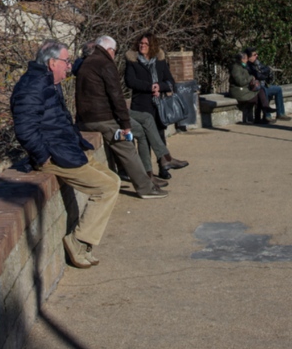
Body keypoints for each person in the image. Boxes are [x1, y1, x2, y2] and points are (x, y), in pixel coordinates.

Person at [11, 40, 119, 269]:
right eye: (66, 61)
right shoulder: (32, 86)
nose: (69, 66)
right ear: (52, 63)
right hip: (57, 156)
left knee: (114, 180)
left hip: (69, 150)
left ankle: (83, 241)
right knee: (106, 188)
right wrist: (43, 157)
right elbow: (25, 128)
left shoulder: (49, 81)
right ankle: (78, 241)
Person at [74, 35, 167, 198]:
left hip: (85, 119)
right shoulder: (105, 64)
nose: (114, 56)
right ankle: (145, 188)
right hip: (102, 118)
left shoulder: (86, 62)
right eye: (114, 52)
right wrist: (125, 124)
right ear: (109, 50)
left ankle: (142, 175)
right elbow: (116, 96)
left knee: (134, 135)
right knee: (127, 147)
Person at [124, 33, 188, 177]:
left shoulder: (159, 61)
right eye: (141, 43)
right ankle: (147, 172)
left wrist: (159, 87)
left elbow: (170, 81)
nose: (142, 46)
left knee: (160, 135)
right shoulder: (132, 61)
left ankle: (164, 167)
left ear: (152, 46)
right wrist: (150, 87)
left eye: (146, 44)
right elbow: (130, 81)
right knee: (144, 140)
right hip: (141, 105)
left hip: (158, 106)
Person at [247, 49, 289, 121]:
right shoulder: (248, 66)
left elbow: (266, 69)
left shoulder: (257, 63)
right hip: (255, 88)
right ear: (249, 57)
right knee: (263, 91)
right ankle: (267, 115)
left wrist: (263, 73)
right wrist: (262, 74)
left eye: (256, 54)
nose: (257, 56)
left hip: (263, 85)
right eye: (254, 55)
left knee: (278, 89)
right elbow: (258, 75)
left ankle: (280, 113)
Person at [230, 51, 268, 124]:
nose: (247, 60)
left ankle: (262, 113)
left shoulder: (243, 67)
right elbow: (240, 82)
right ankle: (264, 111)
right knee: (258, 97)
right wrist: (251, 78)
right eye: (246, 58)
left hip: (245, 90)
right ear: (242, 59)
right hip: (239, 91)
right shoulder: (236, 68)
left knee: (261, 91)